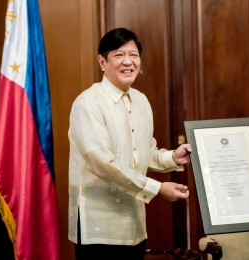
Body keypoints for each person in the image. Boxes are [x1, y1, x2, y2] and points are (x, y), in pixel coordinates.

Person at [68, 28, 192, 260]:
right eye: (118, 55)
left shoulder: (141, 100)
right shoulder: (88, 103)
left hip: (134, 227)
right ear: (102, 62)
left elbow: (145, 152)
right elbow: (102, 163)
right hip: (99, 229)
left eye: (134, 55)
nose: (128, 62)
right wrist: (157, 189)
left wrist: (173, 157)